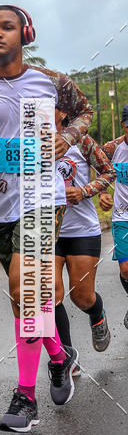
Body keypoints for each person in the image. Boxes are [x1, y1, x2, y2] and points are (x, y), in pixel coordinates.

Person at [0, 4, 93, 432]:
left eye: (7, 26)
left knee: (24, 287)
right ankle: (59, 357)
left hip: (43, 198)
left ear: (25, 33)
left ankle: (25, 399)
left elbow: (85, 112)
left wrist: (66, 136)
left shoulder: (51, 82)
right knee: (27, 298)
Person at [54, 108, 114, 370]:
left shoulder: (80, 140)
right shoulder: (30, 140)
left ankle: (97, 315)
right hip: (47, 230)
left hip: (81, 230)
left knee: (82, 297)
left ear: (62, 111)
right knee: (49, 296)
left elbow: (108, 172)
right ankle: (66, 357)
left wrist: (85, 190)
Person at [100, 104, 128, 327]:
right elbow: (99, 168)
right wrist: (102, 193)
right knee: (126, 268)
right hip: (122, 216)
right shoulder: (112, 148)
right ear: (123, 126)